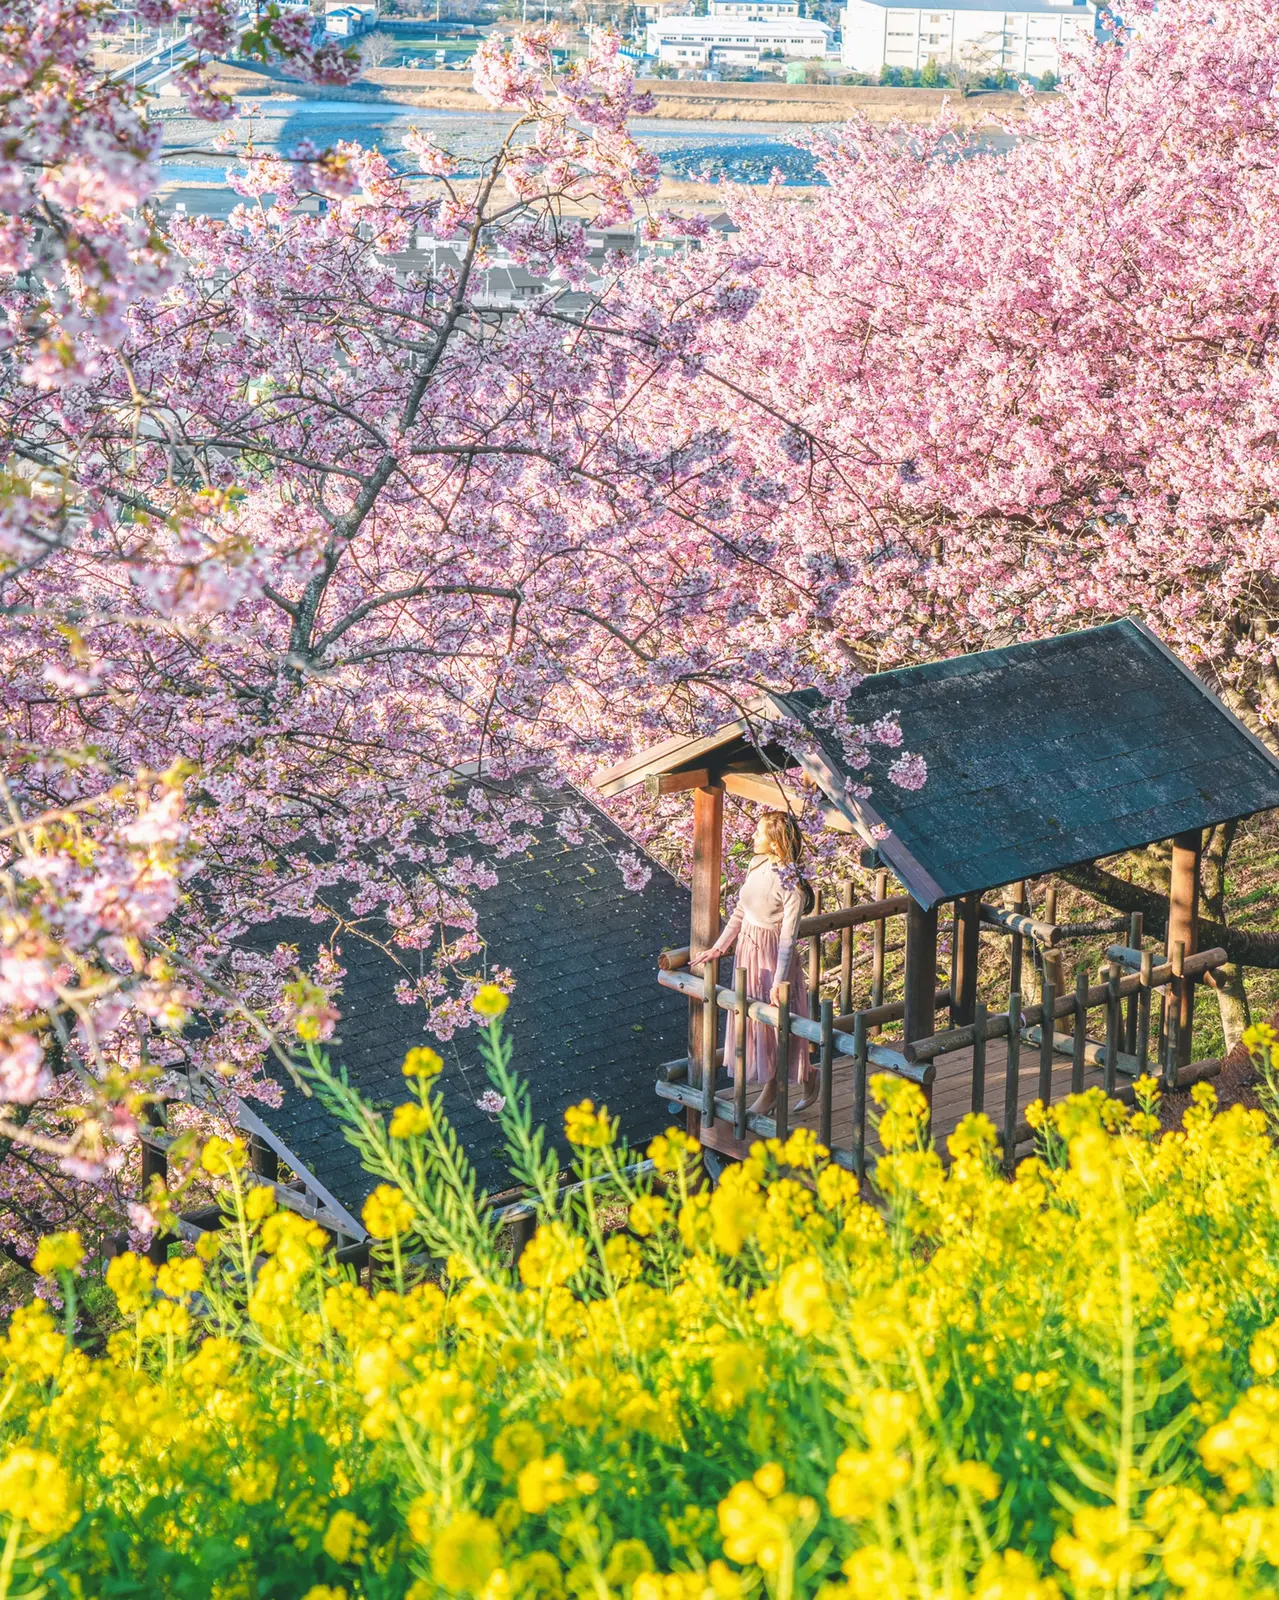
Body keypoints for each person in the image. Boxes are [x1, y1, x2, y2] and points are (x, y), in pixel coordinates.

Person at [689, 810, 816, 1118]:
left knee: (775, 1025)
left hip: (773, 956)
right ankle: (809, 1076)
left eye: (759, 834)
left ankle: (773, 1092)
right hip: (748, 948)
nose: (753, 838)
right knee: (753, 1022)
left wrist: (778, 983)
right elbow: (740, 912)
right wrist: (719, 948)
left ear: (775, 842)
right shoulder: (756, 864)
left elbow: (788, 938)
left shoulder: (793, 885)